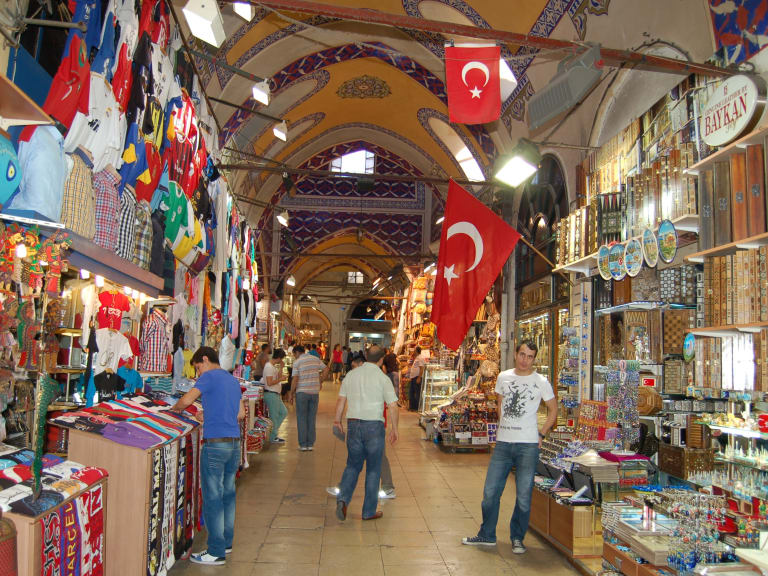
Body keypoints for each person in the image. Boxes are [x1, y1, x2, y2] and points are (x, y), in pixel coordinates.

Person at [462, 340, 557, 554]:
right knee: (490, 493)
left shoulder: (541, 381)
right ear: (516, 354)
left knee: (523, 496)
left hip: (528, 446)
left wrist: (541, 433)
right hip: (503, 444)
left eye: (530, 356)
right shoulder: (504, 377)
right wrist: (505, 426)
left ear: (534, 358)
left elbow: (553, 410)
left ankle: (517, 537)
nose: (525, 360)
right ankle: (487, 534)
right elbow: (500, 404)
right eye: (522, 354)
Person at [172, 346, 244, 566]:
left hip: (215, 445)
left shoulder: (209, 377)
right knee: (228, 495)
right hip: (233, 444)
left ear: (204, 359)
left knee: (213, 498)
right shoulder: (232, 380)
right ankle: (226, 543)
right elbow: (240, 414)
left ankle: (215, 551)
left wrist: (173, 410)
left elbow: (186, 401)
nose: (198, 373)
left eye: (198, 367)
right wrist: (210, 414)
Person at [333, 345, 398, 521]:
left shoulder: (352, 375)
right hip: (374, 427)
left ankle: (343, 499)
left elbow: (341, 399)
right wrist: (394, 429)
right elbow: (392, 405)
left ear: (366, 356)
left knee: (352, 465)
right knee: (373, 470)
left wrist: (337, 420)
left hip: (353, 425)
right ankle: (368, 511)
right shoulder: (383, 378)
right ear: (381, 359)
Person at [288, 344, 329, 451]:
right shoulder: (315, 359)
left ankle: (303, 445)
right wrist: (320, 380)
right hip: (314, 393)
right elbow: (326, 369)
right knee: (311, 418)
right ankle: (310, 444)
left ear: (297, 353)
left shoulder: (297, 362)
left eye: (294, 354)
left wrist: (291, 393)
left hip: (302, 393)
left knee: (302, 418)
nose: (294, 357)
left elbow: (295, 379)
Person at [262, 348, 288, 444]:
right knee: (274, 416)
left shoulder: (273, 367)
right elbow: (269, 383)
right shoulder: (269, 367)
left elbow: (277, 377)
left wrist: (281, 368)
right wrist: (280, 379)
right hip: (271, 394)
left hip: (275, 394)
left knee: (283, 412)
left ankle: (273, 432)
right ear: (279, 358)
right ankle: (273, 436)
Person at [407, 346, 426, 411]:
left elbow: (421, 368)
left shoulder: (420, 358)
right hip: (414, 377)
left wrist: (419, 377)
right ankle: (413, 407)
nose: (413, 351)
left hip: (417, 377)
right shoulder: (417, 358)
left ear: (416, 351)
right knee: (412, 392)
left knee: (417, 393)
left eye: (414, 350)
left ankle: (417, 407)